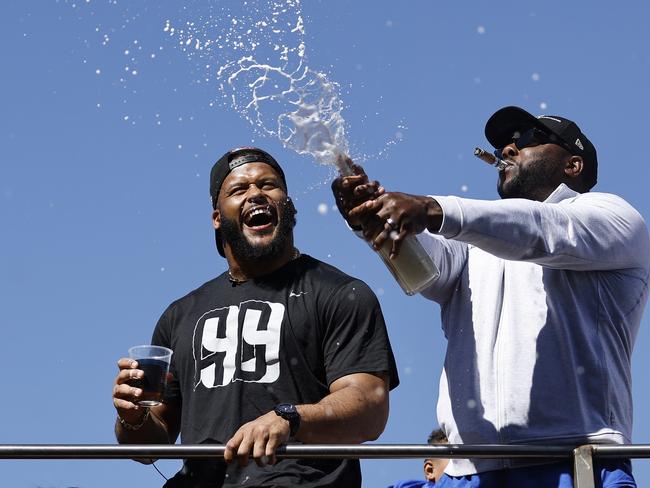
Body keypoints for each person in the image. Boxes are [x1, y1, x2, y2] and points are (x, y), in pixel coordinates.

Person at [332, 106, 650, 487]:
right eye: (505, 143)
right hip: (469, 471)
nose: (509, 149)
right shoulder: (475, 244)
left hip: (575, 462)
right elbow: (425, 269)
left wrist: (434, 209)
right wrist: (374, 217)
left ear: (573, 165)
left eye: (528, 139)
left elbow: (548, 231)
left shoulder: (611, 217)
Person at [112, 146, 399, 487]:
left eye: (269, 185)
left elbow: (369, 406)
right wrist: (131, 417)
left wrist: (290, 419)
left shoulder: (339, 293)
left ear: (288, 204)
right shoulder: (180, 315)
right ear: (217, 217)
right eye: (238, 189)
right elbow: (150, 447)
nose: (256, 194)